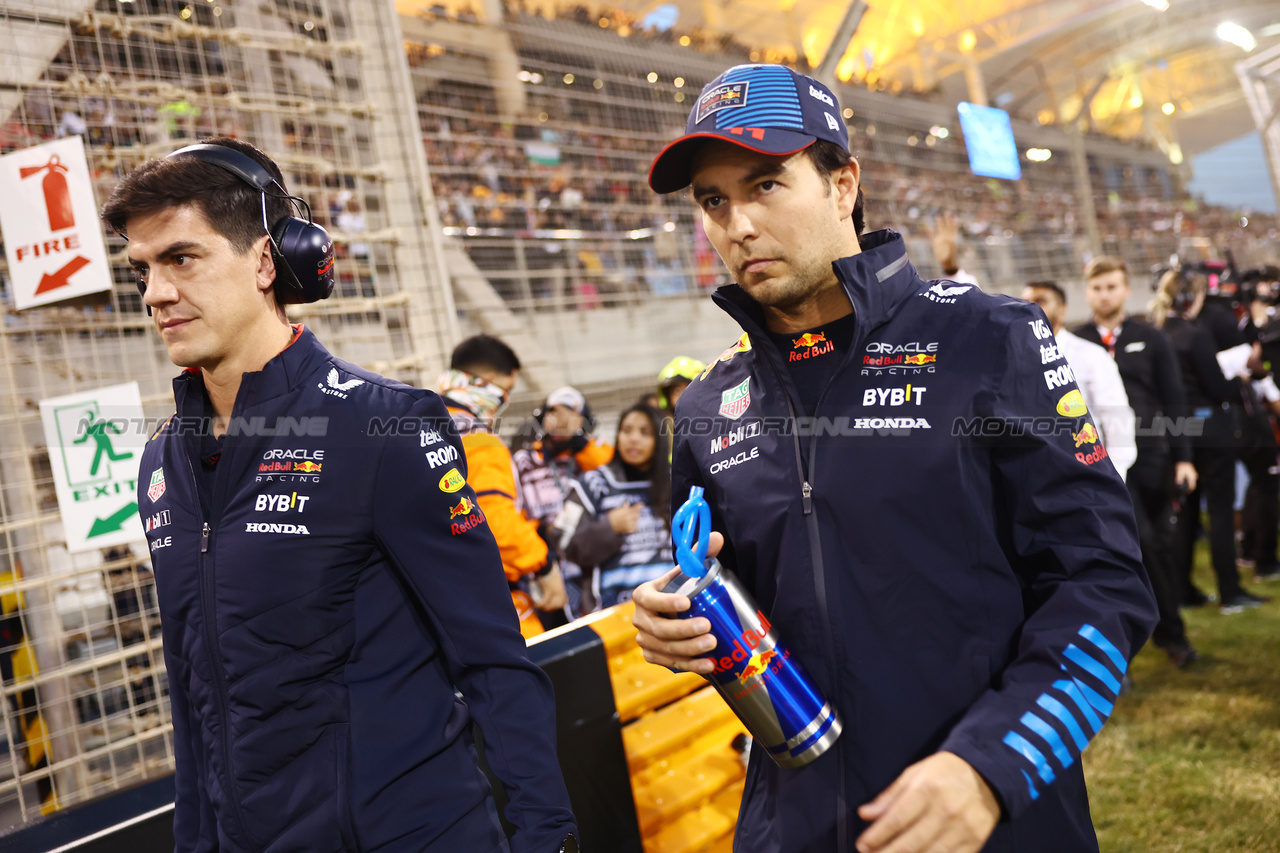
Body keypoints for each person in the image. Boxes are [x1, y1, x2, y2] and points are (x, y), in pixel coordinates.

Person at [635, 64, 1156, 853]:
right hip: (795, 826)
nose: (736, 223)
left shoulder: (988, 337)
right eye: (712, 200)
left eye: (765, 185)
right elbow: (743, 598)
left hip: (986, 818)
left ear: (842, 185)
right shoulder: (705, 406)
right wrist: (680, 622)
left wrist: (992, 766)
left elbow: (1104, 582)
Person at [103, 138, 577, 852]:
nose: (156, 293)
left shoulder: (384, 426)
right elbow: (193, 698)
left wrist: (550, 837)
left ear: (265, 261)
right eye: (143, 268)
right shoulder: (161, 462)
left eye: (181, 258)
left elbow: (492, 660)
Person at [1073, 258, 1202, 662]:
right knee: (1131, 545)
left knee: (1158, 547)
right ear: (1087, 292)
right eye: (1097, 288)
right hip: (1099, 460)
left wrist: (1184, 458)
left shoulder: (1150, 336)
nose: (1104, 294)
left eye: (1112, 286)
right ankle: (1126, 642)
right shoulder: (1074, 342)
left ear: (1126, 289)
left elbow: (1173, 398)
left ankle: (1172, 634)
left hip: (1150, 457)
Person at [1150, 269, 1268, 615]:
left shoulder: (1158, 332)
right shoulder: (1194, 334)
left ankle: (1182, 589)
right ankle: (1230, 592)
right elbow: (1219, 387)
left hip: (1177, 432)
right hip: (1211, 431)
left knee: (1186, 513)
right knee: (1219, 510)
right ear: (1193, 297)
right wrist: (1240, 378)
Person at [440, 336, 569, 639]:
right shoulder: (477, 439)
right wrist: (543, 565)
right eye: (506, 391)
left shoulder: (415, 426)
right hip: (488, 600)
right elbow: (493, 520)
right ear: (487, 382)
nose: (504, 401)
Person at [511, 386, 613, 622]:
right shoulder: (523, 459)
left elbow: (613, 472)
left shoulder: (594, 452)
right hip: (546, 566)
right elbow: (514, 512)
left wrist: (581, 445)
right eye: (553, 412)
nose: (560, 420)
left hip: (591, 563)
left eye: (570, 413)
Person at [557, 403, 673, 610]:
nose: (633, 438)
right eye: (626, 430)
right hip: (614, 614)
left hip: (673, 603)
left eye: (645, 432)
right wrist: (608, 528)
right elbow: (562, 541)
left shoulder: (677, 482)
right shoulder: (592, 484)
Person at [1021, 281, 1135, 480]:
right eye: (1025, 302)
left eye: (1039, 301)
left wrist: (1114, 477)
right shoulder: (1013, 359)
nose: (1030, 307)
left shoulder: (1090, 355)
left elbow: (1117, 419)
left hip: (1086, 475)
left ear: (1062, 310)